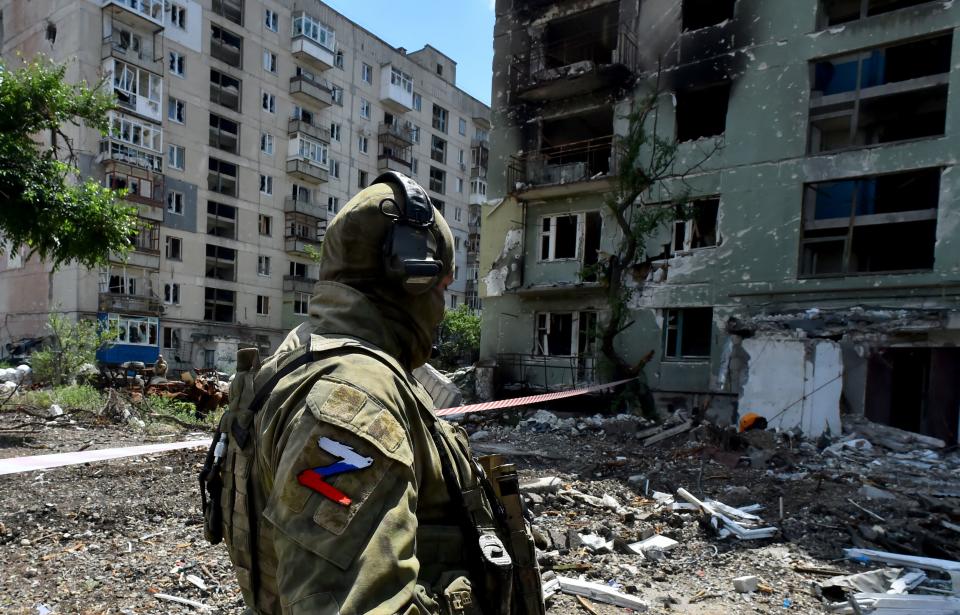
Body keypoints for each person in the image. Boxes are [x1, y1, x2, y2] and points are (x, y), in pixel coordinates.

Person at [201, 173, 542, 615]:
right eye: (441, 287)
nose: (444, 308)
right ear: (411, 278)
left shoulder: (305, 358)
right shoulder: (352, 401)